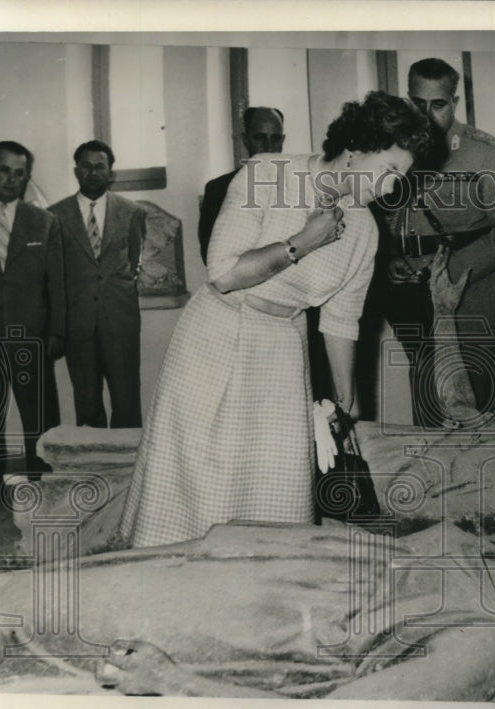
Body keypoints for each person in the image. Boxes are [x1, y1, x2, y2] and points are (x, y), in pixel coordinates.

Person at [119, 91, 431, 549]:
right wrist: (304, 241)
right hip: (217, 332)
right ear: (356, 148)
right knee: (198, 470)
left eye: (399, 178)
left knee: (277, 483)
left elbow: (342, 320)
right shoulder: (268, 175)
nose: (390, 188)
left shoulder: (364, 229)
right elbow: (223, 275)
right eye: (388, 171)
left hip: (284, 346)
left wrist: (345, 407)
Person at [0, 522, 495, 702]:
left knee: (12, 611)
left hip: (253, 626)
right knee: (26, 589)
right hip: (246, 571)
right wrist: (231, 541)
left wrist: (177, 685)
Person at [374, 57, 495, 430]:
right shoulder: (394, 152)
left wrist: (445, 274)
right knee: (432, 430)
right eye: (417, 104)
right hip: (416, 305)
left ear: (455, 102)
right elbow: (388, 218)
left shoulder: (489, 153)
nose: (426, 116)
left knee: (489, 429)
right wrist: (390, 257)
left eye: (438, 104)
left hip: (475, 301)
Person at [0, 141, 64, 493]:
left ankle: (43, 487)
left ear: (26, 177)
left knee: (39, 418)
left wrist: (56, 334)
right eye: (4, 170)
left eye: (19, 173)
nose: (11, 179)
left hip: (30, 335)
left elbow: (57, 284)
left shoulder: (44, 222)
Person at [50, 140, 147, 428]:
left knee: (127, 401)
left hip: (120, 322)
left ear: (111, 173)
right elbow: (54, 274)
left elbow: (132, 261)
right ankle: (92, 470)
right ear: (76, 171)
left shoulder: (131, 212)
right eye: (86, 166)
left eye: (100, 166)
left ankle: (129, 471)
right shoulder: (54, 215)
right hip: (78, 325)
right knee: (87, 404)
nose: (93, 172)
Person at [197, 106, 285, 265]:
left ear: (283, 141)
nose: (269, 147)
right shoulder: (218, 189)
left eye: (276, 138)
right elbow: (210, 257)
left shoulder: (299, 186)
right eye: (260, 138)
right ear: (246, 140)